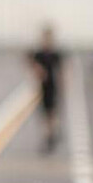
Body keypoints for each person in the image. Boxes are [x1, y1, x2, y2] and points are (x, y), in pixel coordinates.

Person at [27, 23, 64, 154]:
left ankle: (51, 137)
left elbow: (61, 71)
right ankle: (50, 136)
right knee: (44, 114)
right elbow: (29, 61)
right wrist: (38, 69)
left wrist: (62, 85)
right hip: (42, 87)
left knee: (51, 113)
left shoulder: (55, 54)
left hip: (52, 86)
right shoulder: (39, 54)